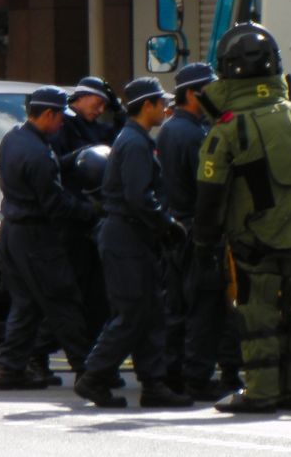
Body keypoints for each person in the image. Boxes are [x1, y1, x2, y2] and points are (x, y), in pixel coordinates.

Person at [193, 22, 291, 413]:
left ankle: (260, 392)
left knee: (258, 317)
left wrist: (204, 241)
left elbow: (210, 194)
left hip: (252, 241)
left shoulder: (227, 129)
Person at [74, 77, 193, 409]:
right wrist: (167, 225)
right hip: (126, 236)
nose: (166, 108)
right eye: (161, 103)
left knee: (152, 312)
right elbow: (138, 197)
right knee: (131, 313)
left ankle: (153, 385)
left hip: (135, 236)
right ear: (147, 106)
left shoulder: (135, 139)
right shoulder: (135, 143)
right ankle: (94, 377)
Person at [0, 86, 96, 390]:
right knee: (64, 300)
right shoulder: (39, 153)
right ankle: (87, 371)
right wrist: (91, 210)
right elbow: (56, 204)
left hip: (12, 232)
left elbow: (37, 175)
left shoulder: (14, 138)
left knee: (26, 304)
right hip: (37, 236)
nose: (63, 123)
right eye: (60, 117)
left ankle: (11, 369)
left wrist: (69, 159)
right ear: (48, 114)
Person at [27, 76, 125, 387]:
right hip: (71, 222)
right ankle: (38, 356)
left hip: (93, 219)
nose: (100, 110)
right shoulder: (63, 127)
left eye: (104, 105)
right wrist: (84, 156)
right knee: (69, 296)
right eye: (97, 103)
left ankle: (94, 362)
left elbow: (117, 138)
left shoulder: (95, 127)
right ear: (80, 99)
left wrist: (118, 107)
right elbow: (56, 167)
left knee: (97, 298)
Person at [157, 62, 242, 401]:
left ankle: (175, 373)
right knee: (204, 308)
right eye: (210, 90)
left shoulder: (170, 129)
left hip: (176, 228)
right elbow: (208, 185)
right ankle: (195, 376)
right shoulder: (194, 134)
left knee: (179, 307)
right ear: (193, 94)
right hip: (196, 230)